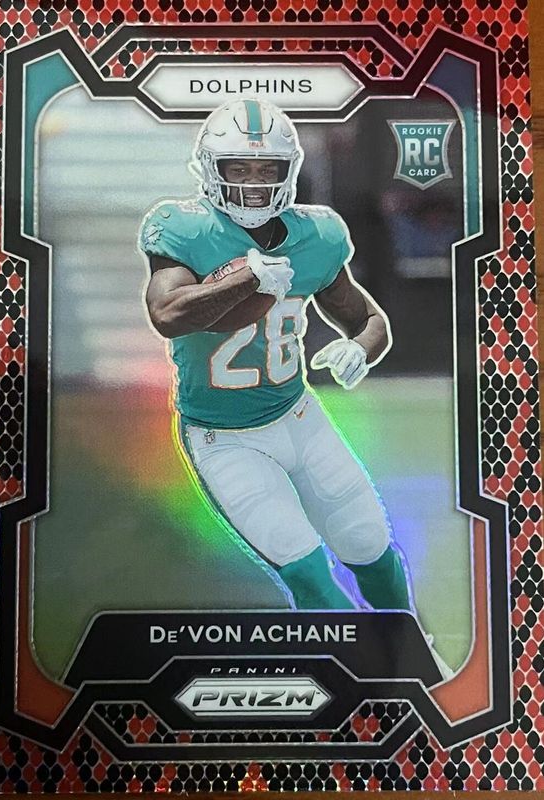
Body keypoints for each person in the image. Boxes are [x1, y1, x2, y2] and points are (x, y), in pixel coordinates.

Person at [139, 98, 412, 613]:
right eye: (238, 168)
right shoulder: (184, 229)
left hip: (299, 418)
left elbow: (368, 319)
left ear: (289, 171)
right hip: (224, 438)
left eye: (267, 169)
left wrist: (360, 348)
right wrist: (248, 278)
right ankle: (355, 659)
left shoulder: (317, 235)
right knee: (306, 569)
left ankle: (410, 646)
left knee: (370, 550)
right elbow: (167, 313)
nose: (254, 183)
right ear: (210, 169)